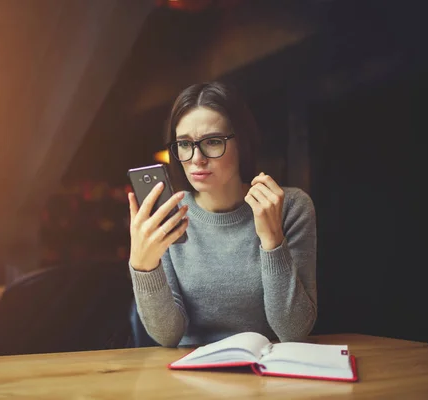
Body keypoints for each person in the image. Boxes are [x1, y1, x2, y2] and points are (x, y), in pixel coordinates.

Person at [127, 81, 317, 347]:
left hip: (269, 372)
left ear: (243, 143)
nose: (196, 159)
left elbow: (294, 331)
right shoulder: (170, 215)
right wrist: (144, 267)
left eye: (213, 141)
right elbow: (168, 335)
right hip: (190, 372)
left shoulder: (290, 206)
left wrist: (272, 241)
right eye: (184, 144)